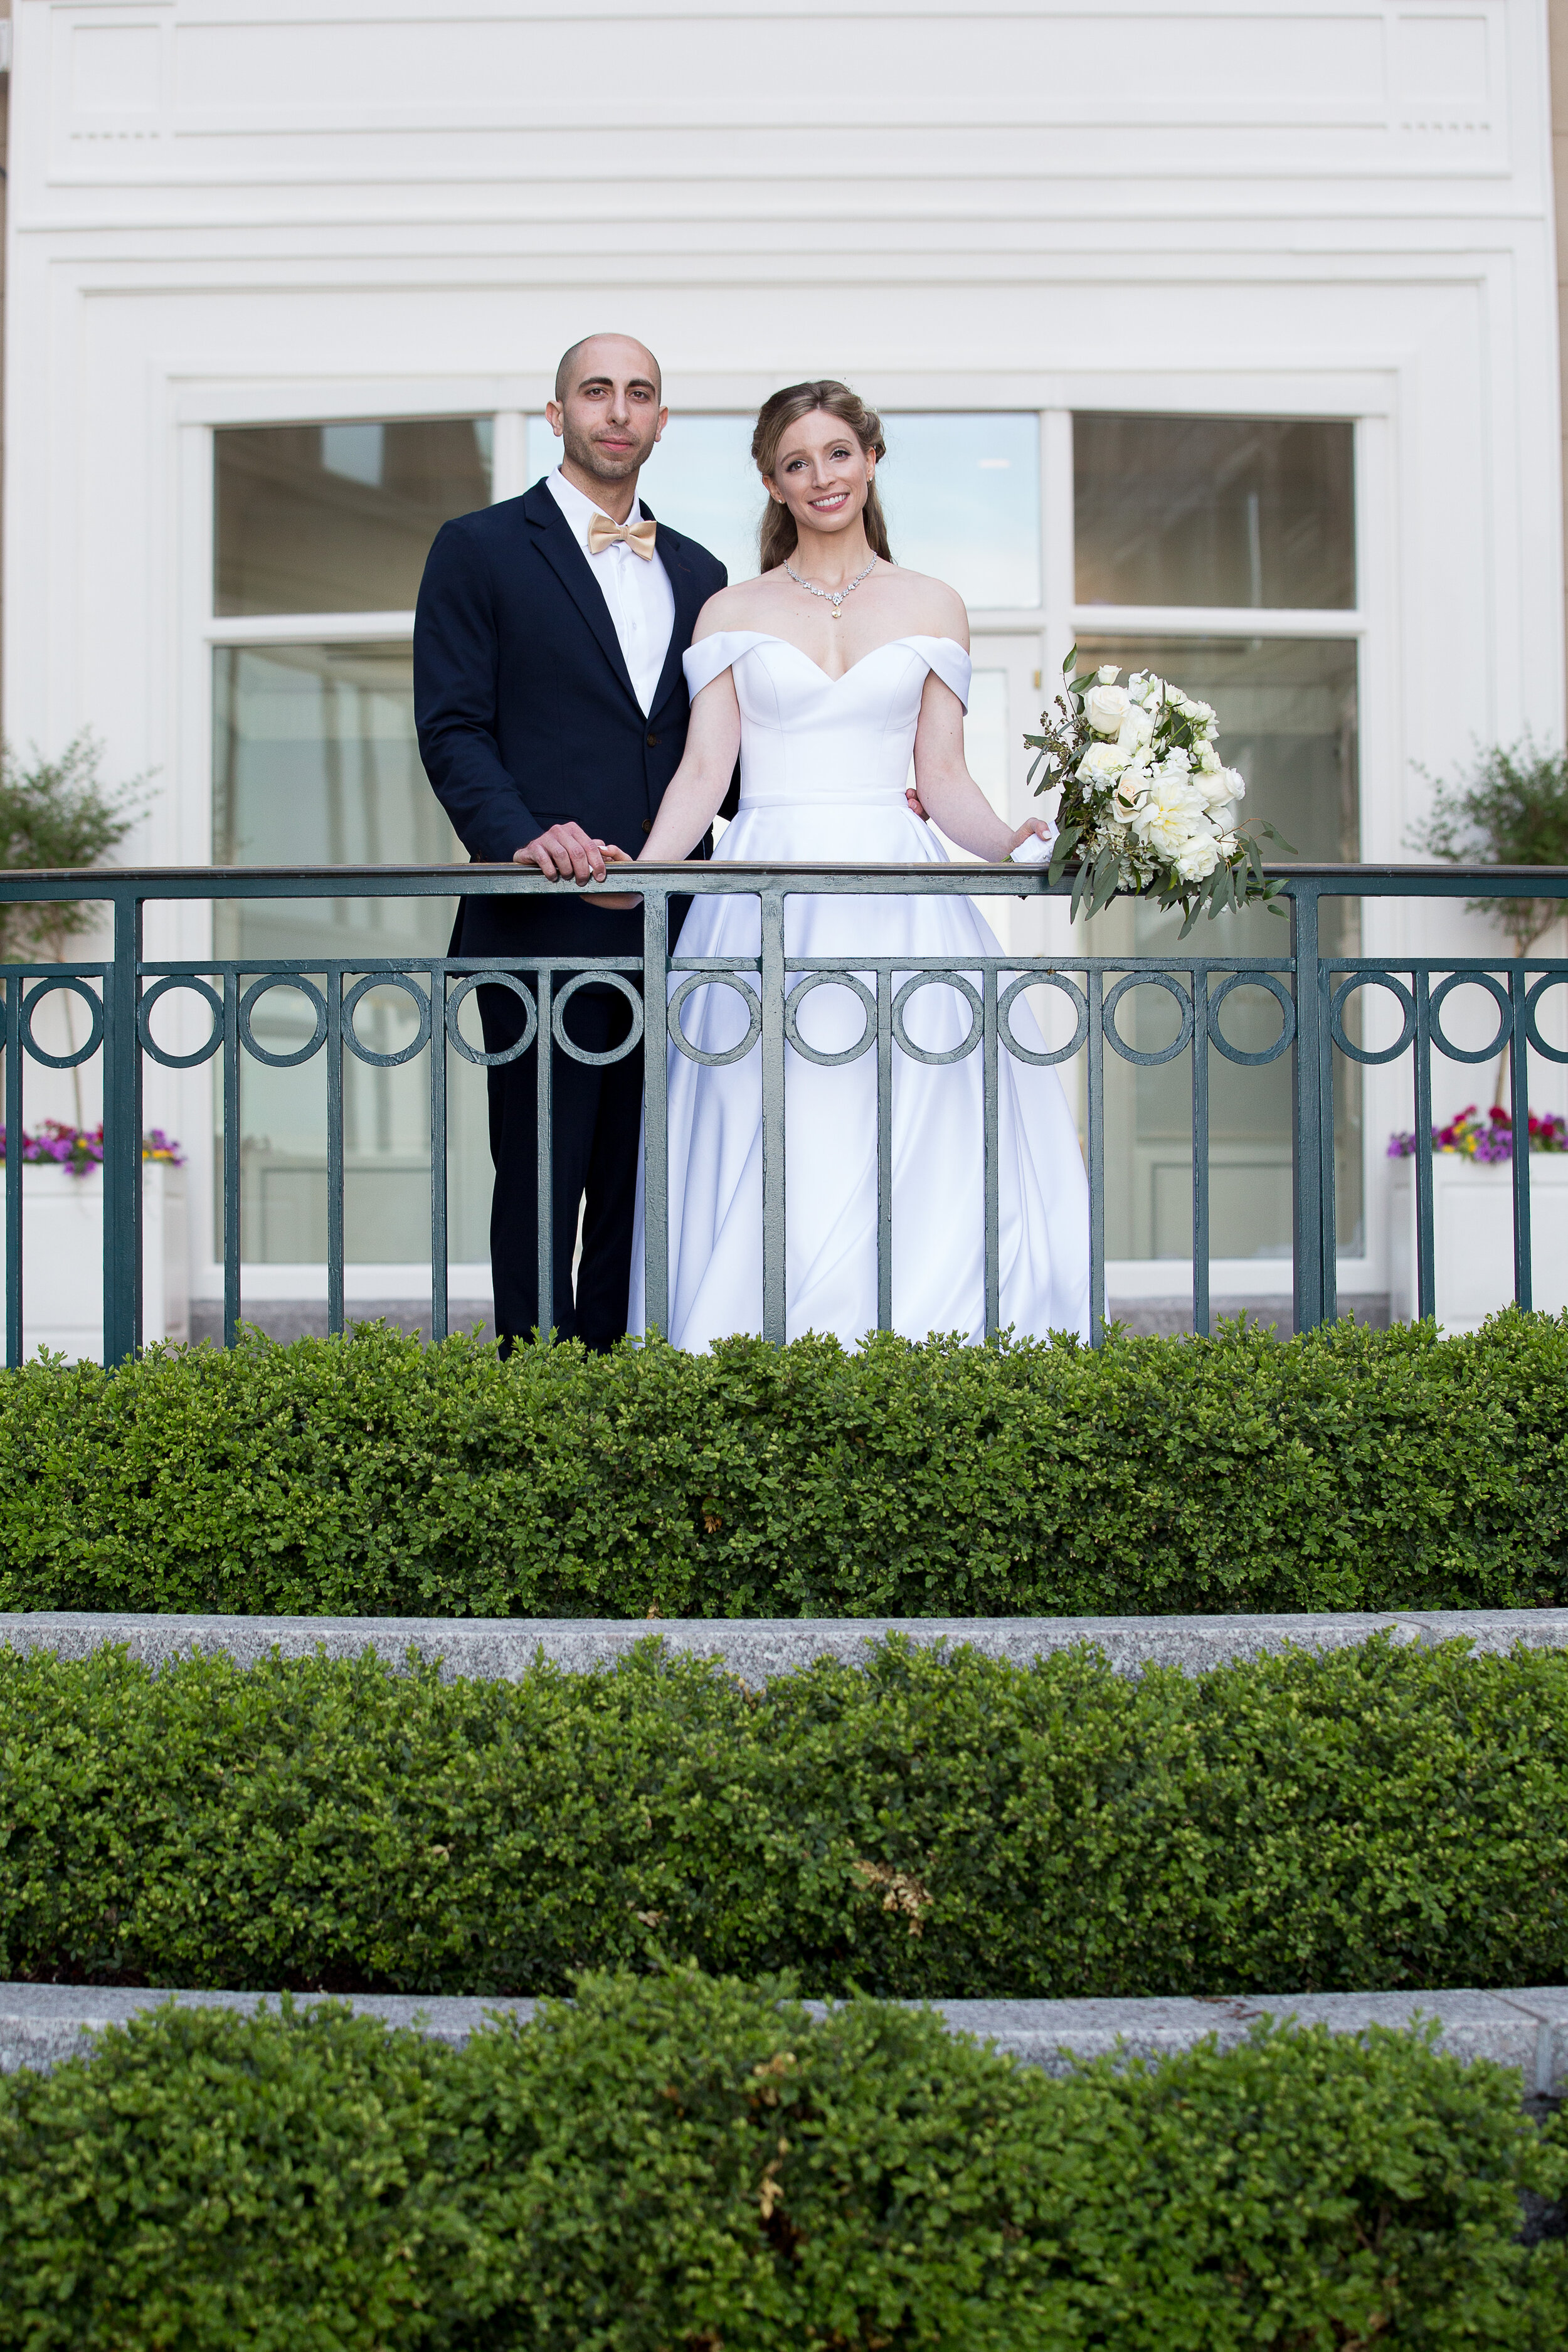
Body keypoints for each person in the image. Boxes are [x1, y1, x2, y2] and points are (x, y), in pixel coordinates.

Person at [623, 379, 1091, 1350]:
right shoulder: (728, 609)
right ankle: (752, 1350)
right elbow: (706, 772)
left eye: (839, 453)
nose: (822, 476)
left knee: (914, 1126)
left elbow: (945, 776)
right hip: (759, 897)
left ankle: (921, 1349)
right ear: (772, 482)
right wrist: (642, 870)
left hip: (899, 892)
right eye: (798, 462)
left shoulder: (933, 603)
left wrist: (1011, 841)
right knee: (771, 1125)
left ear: (871, 459)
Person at [413, 333, 728, 1350]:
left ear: (662, 422)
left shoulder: (701, 568)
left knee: (648, 1183)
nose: (618, 411)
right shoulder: (479, 546)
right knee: (543, 1178)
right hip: (543, 916)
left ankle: (623, 1396)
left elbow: (711, 752)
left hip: (677, 928)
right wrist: (517, 839)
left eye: (639, 394)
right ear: (558, 414)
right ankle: (538, 1404)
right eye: (597, 392)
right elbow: (452, 726)